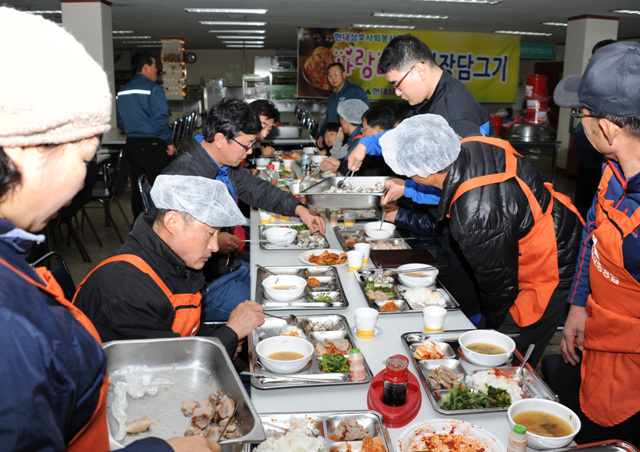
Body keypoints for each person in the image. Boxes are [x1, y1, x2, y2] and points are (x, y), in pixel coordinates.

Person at [0, 7, 217, 451]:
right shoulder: (11, 326)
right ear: (20, 149)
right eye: (83, 160)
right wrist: (167, 449)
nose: (83, 180)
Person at [379, 114, 584, 366]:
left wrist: (495, 331)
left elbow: (498, 287)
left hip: (552, 262)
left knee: (505, 352)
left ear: (422, 174)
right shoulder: (471, 144)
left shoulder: (474, 214)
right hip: (558, 221)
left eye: (408, 173)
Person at [549, 41, 640, 445]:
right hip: (594, 340)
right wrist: (578, 304)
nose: (577, 122)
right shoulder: (614, 168)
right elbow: (593, 238)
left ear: (606, 129)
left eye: (580, 113)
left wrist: (604, 333)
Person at [162, 97, 325, 322]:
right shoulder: (183, 177)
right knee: (280, 315)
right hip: (205, 287)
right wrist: (215, 243)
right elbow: (168, 247)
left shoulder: (224, 165)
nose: (249, 152)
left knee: (292, 280)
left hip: (230, 269)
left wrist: (299, 209)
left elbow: (259, 190)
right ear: (220, 139)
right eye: (246, 144)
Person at [73, 175, 265, 359]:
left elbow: (180, 331)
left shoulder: (172, 259)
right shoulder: (126, 293)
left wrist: (222, 338)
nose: (215, 246)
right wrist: (230, 334)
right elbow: (168, 367)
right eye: (209, 233)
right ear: (172, 222)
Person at [116, 51, 177, 220]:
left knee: (138, 187)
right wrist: (169, 142)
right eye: (155, 66)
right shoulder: (153, 89)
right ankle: (162, 221)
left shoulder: (122, 91)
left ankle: (139, 223)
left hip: (133, 144)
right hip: (152, 144)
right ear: (145, 67)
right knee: (160, 185)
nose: (157, 70)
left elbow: (120, 121)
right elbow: (160, 120)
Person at [572, 39, 616, 218]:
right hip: (587, 164)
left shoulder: (622, 91)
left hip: (609, 166)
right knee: (583, 212)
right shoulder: (591, 86)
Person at [317, 62, 370, 148]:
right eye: (330, 76)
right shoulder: (333, 95)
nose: (333, 78)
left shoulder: (355, 90)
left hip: (350, 139)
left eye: (336, 74)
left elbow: (367, 114)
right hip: (334, 140)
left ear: (344, 74)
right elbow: (328, 117)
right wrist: (321, 134)